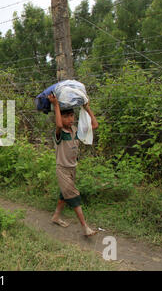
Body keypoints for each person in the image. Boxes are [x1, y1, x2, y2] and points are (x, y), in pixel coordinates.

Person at [48, 93, 99, 237]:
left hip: (72, 168)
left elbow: (94, 125)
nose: (70, 119)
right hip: (62, 169)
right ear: (60, 117)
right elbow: (58, 124)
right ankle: (85, 227)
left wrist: (87, 109)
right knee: (73, 195)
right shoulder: (59, 133)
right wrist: (56, 105)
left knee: (65, 194)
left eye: (72, 116)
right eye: (66, 116)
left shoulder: (75, 131)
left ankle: (56, 216)